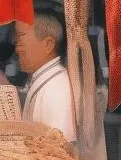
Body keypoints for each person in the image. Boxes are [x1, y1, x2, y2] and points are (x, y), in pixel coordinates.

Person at [9, 11, 77, 143]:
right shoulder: (45, 81)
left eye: (21, 37)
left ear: (48, 45)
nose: (17, 48)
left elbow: (61, 151)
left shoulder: (57, 89)